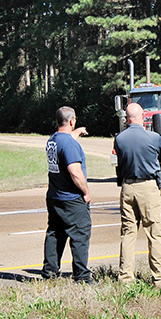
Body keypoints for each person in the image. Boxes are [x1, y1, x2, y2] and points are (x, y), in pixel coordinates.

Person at [114, 103, 161, 285]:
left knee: (128, 233)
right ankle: (159, 278)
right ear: (143, 116)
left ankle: (125, 276)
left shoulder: (120, 139)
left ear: (126, 119)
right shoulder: (153, 137)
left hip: (127, 187)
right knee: (154, 232)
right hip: (148, 187)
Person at [42, 106, 92, 283]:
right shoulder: (69, 144)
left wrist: (76, 132)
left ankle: (49, 272)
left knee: (55, 233)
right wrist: (85, 192)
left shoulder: (54, 140)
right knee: (80, 235)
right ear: (72, 121)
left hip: (55, 196)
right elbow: (75, 172)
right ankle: (82, 276)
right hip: (71, 198)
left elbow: (66, 142)